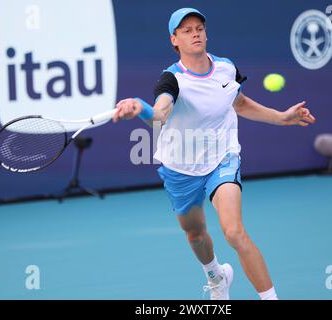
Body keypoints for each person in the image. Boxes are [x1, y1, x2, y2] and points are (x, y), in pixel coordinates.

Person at [113, 8, 316, 300]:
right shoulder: (171, 79)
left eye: (199, 28)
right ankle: (216, 276)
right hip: (180, 167)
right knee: (195, 234)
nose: (195, 33)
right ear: (175, 40)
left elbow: (241, 103)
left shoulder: (225, 68)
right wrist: (139, 107)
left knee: (233, 231)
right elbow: (159, 116)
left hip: (222, 157)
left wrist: (282, 117)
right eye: (187, 30)